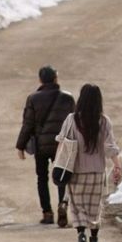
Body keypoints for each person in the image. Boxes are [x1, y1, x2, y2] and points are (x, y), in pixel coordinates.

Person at [56, 83, 121, 242]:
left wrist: (58, 164)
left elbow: (62, 143)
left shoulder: (71, 119)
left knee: (78, 208)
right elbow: (110, 147)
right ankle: (94, 240)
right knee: (94, 208)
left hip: (76, 173)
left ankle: (81, 236)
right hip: (97, 173)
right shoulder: (104, 121)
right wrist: (117, 165)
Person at [16, 65, 75, 226]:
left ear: (40, 80)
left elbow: (28, 124)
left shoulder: (33, 98)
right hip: (62, 145)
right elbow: (74, 123)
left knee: (42, 178)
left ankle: (47, 213)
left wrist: (20, 146)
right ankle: (62, 207)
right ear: (56, 78)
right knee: (62, 178)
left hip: (41, 145)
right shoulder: (67, 98)